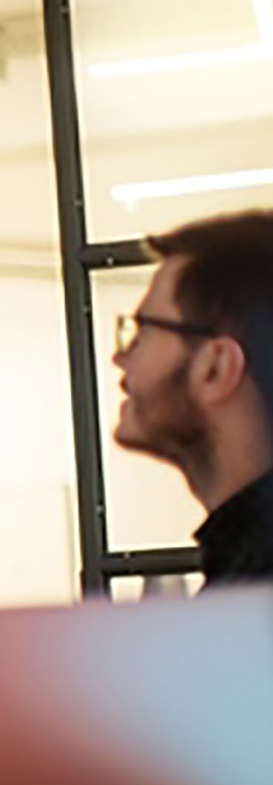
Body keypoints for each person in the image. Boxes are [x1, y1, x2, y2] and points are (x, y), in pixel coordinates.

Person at [112, 209, 273, 586]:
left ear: (215, 368)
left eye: (143, 332)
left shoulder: (253, 590)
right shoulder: (242, 564)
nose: (120, 357)